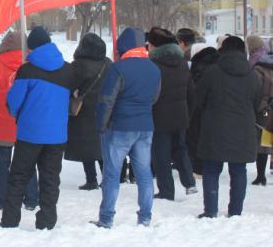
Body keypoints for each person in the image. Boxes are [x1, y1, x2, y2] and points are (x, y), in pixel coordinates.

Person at [0, 27, 74, 231]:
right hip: (57, 135)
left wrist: (17, 113)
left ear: (31, 47)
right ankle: (47, 223)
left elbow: (13, 102)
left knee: (19, 177)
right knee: (50, 180)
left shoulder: (27, 70)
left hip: (29, 134)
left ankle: (10, 221)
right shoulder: (67, 70)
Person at [92, 27, 161, 229]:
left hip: (120, 127)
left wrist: (101, 125)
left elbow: (107, 100)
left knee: (112, 175)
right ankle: (145, 217)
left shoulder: (118, 68)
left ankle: (106, 218)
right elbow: (155, 98)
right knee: (144, 174)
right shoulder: (154, 68)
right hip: (145, 126)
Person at [194, 36, 260, 218]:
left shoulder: (212, 72)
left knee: (211, 170)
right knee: (238, 171)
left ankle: (210, 210)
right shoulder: (252, 75)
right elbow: (257, 101)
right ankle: (235, 211)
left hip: (214, 128)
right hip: (243, 129)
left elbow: (199, 98)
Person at [0, 31, 38, 210]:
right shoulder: (31, 64)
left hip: (2, 121)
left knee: (1, 163)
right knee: (27, 161)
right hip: (26, 122)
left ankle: (0, 199)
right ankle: (32, 198)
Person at [146, 27, 197, 199]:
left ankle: (167, 190)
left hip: (159, 116)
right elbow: (191, 92)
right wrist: (187, 113)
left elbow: (151, 94)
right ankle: (189, 182)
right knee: (180, 149)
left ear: (155, 46)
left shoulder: (153, 65)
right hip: (181, 114)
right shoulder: (182, 63)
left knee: (161, 154)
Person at [65, 33, 111, 191]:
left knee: (87, 146)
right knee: (102, 145)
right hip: (105, 109)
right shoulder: (108, 63)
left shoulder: (79, 65)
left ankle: (91, 179)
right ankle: (108, 178)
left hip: (84, 110)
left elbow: (69, 85)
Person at [186, 43, 219, 177]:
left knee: (196, 134)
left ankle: (198, 167)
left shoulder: (198, 65)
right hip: (215, 107)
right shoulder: (218, 64)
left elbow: (196, 87)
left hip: (199, 107)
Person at [251, 50, 273, 185]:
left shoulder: (258, 71)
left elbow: (255, 91)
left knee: (263, 144)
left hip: (264, 112)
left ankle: (260, 175)